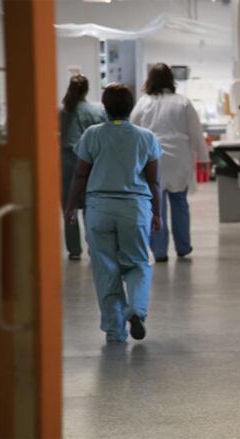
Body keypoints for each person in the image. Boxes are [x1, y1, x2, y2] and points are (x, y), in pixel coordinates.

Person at [64, 83, 162, 343]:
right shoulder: (146, 137)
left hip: (99, 209)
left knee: (105, 269)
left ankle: (114, 330)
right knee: (138, 264)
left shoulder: (92, 135)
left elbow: (80, 174)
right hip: (134, 208)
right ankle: (137, 311)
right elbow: (154, 181)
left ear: (105, 107)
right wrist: (157, 213)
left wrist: (71, 205)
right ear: (131, 107)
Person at [130, 63, 209, 263]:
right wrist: (204, 158)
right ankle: (183, 248)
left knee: (156, 207)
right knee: (180, 203)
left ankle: (159, 252)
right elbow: (196, 133)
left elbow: (132, 131)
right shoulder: (183, 102)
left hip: (153, 159)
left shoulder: (143, 102)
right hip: (179, 159)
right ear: (170, 80)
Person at [59, 74, 106, 260]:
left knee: (69, 207)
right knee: (90, 207)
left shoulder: (63, 112)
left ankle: (74, 251)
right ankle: (93, 247)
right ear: (86, 90)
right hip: (90, 163)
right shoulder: (97, 111)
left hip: (67, 163)